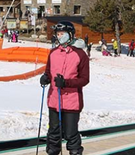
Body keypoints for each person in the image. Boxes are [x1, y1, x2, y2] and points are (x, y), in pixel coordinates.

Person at [39, 21, 89, 155]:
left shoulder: (80, 55)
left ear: (71, 35)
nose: (60, 36)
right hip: (54, 100)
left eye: (63, 34)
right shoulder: (54, 53)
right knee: (53, 133)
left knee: (71, 133)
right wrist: (46, 78)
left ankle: (75, 152)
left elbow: (84, 79)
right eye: (58, 34)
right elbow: (49, 71)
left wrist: (66, 83)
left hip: (72, 101)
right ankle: (52, 152)